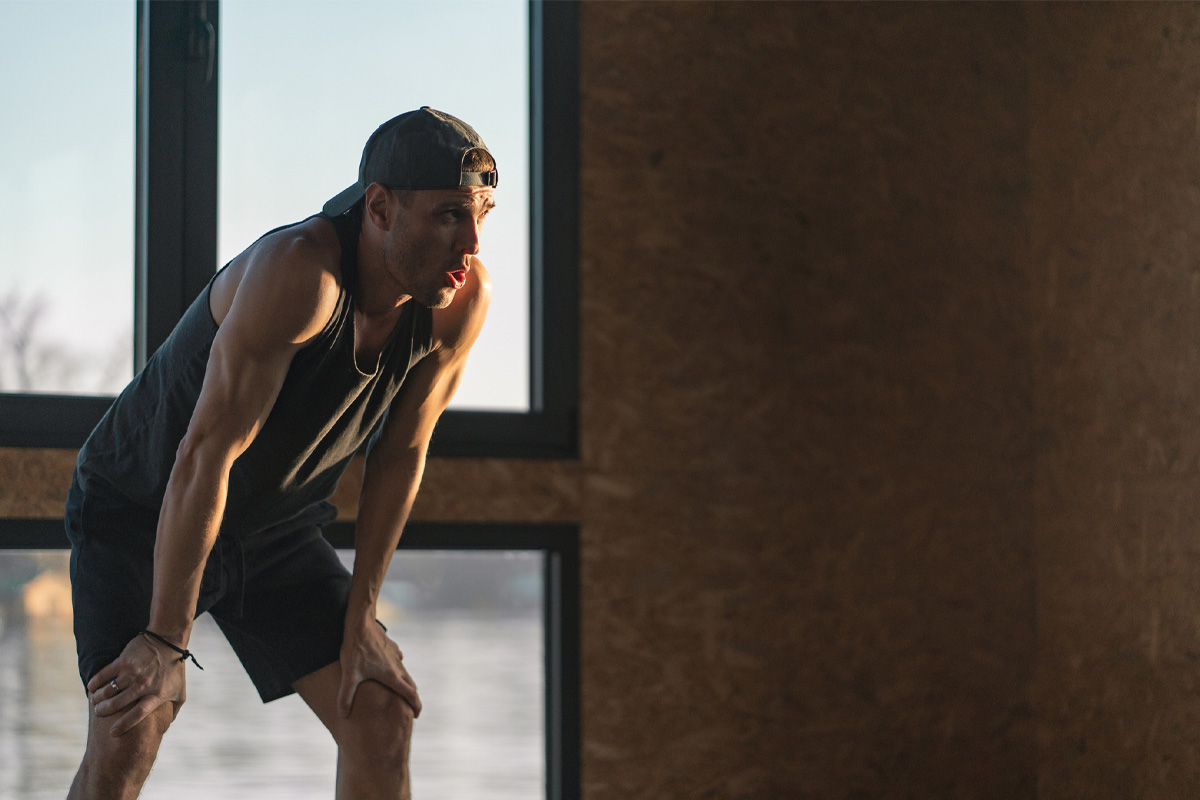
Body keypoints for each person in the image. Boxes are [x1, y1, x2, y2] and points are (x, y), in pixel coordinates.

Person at [64, 107, 497, 799]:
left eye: (483, 213)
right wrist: (166, 643)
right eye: (449, 215)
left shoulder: (457, 303)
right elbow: (203, 457)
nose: (471, 241)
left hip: (273, 528)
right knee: (132, 727)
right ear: (380, 207)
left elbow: (401, 454)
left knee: (378, 711)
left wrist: (362, 619)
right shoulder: (299, 275)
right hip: (144, 508)